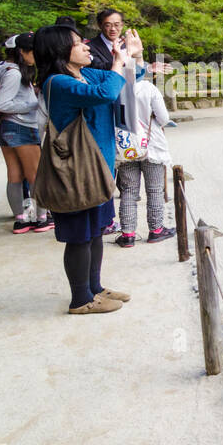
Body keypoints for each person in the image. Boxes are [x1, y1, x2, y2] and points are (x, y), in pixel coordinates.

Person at [34, 23, 133, 314]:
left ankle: (95, 288)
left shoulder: (86, 73)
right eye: (79, 43)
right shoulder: (57, 83)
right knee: (79, 236)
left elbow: (127, 78)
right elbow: (105, 93)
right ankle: (80, 300)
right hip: (75, 171)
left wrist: (131, 57)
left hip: (98, 166)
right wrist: (117, 63)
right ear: (60, 50)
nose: (87, 46)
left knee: (95, 232)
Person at [0, 33, 52, 233]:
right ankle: (41, 218)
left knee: (15, 175)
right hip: (21, 127)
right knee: (35, 175)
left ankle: (21, 219)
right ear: (22, 52)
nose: (36, 55)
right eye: (33, 51)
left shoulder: (3, 69)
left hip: (8, 129)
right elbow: (3, 103)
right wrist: (32, 103)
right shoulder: (14, 73)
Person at [114, 69, 176, 247]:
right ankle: (156, 230)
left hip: (126, 149)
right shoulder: (148, 88)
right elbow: (163, 118)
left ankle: (128, 234)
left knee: (129, 192)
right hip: (151, 147)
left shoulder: (115, 89)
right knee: (155, 190)